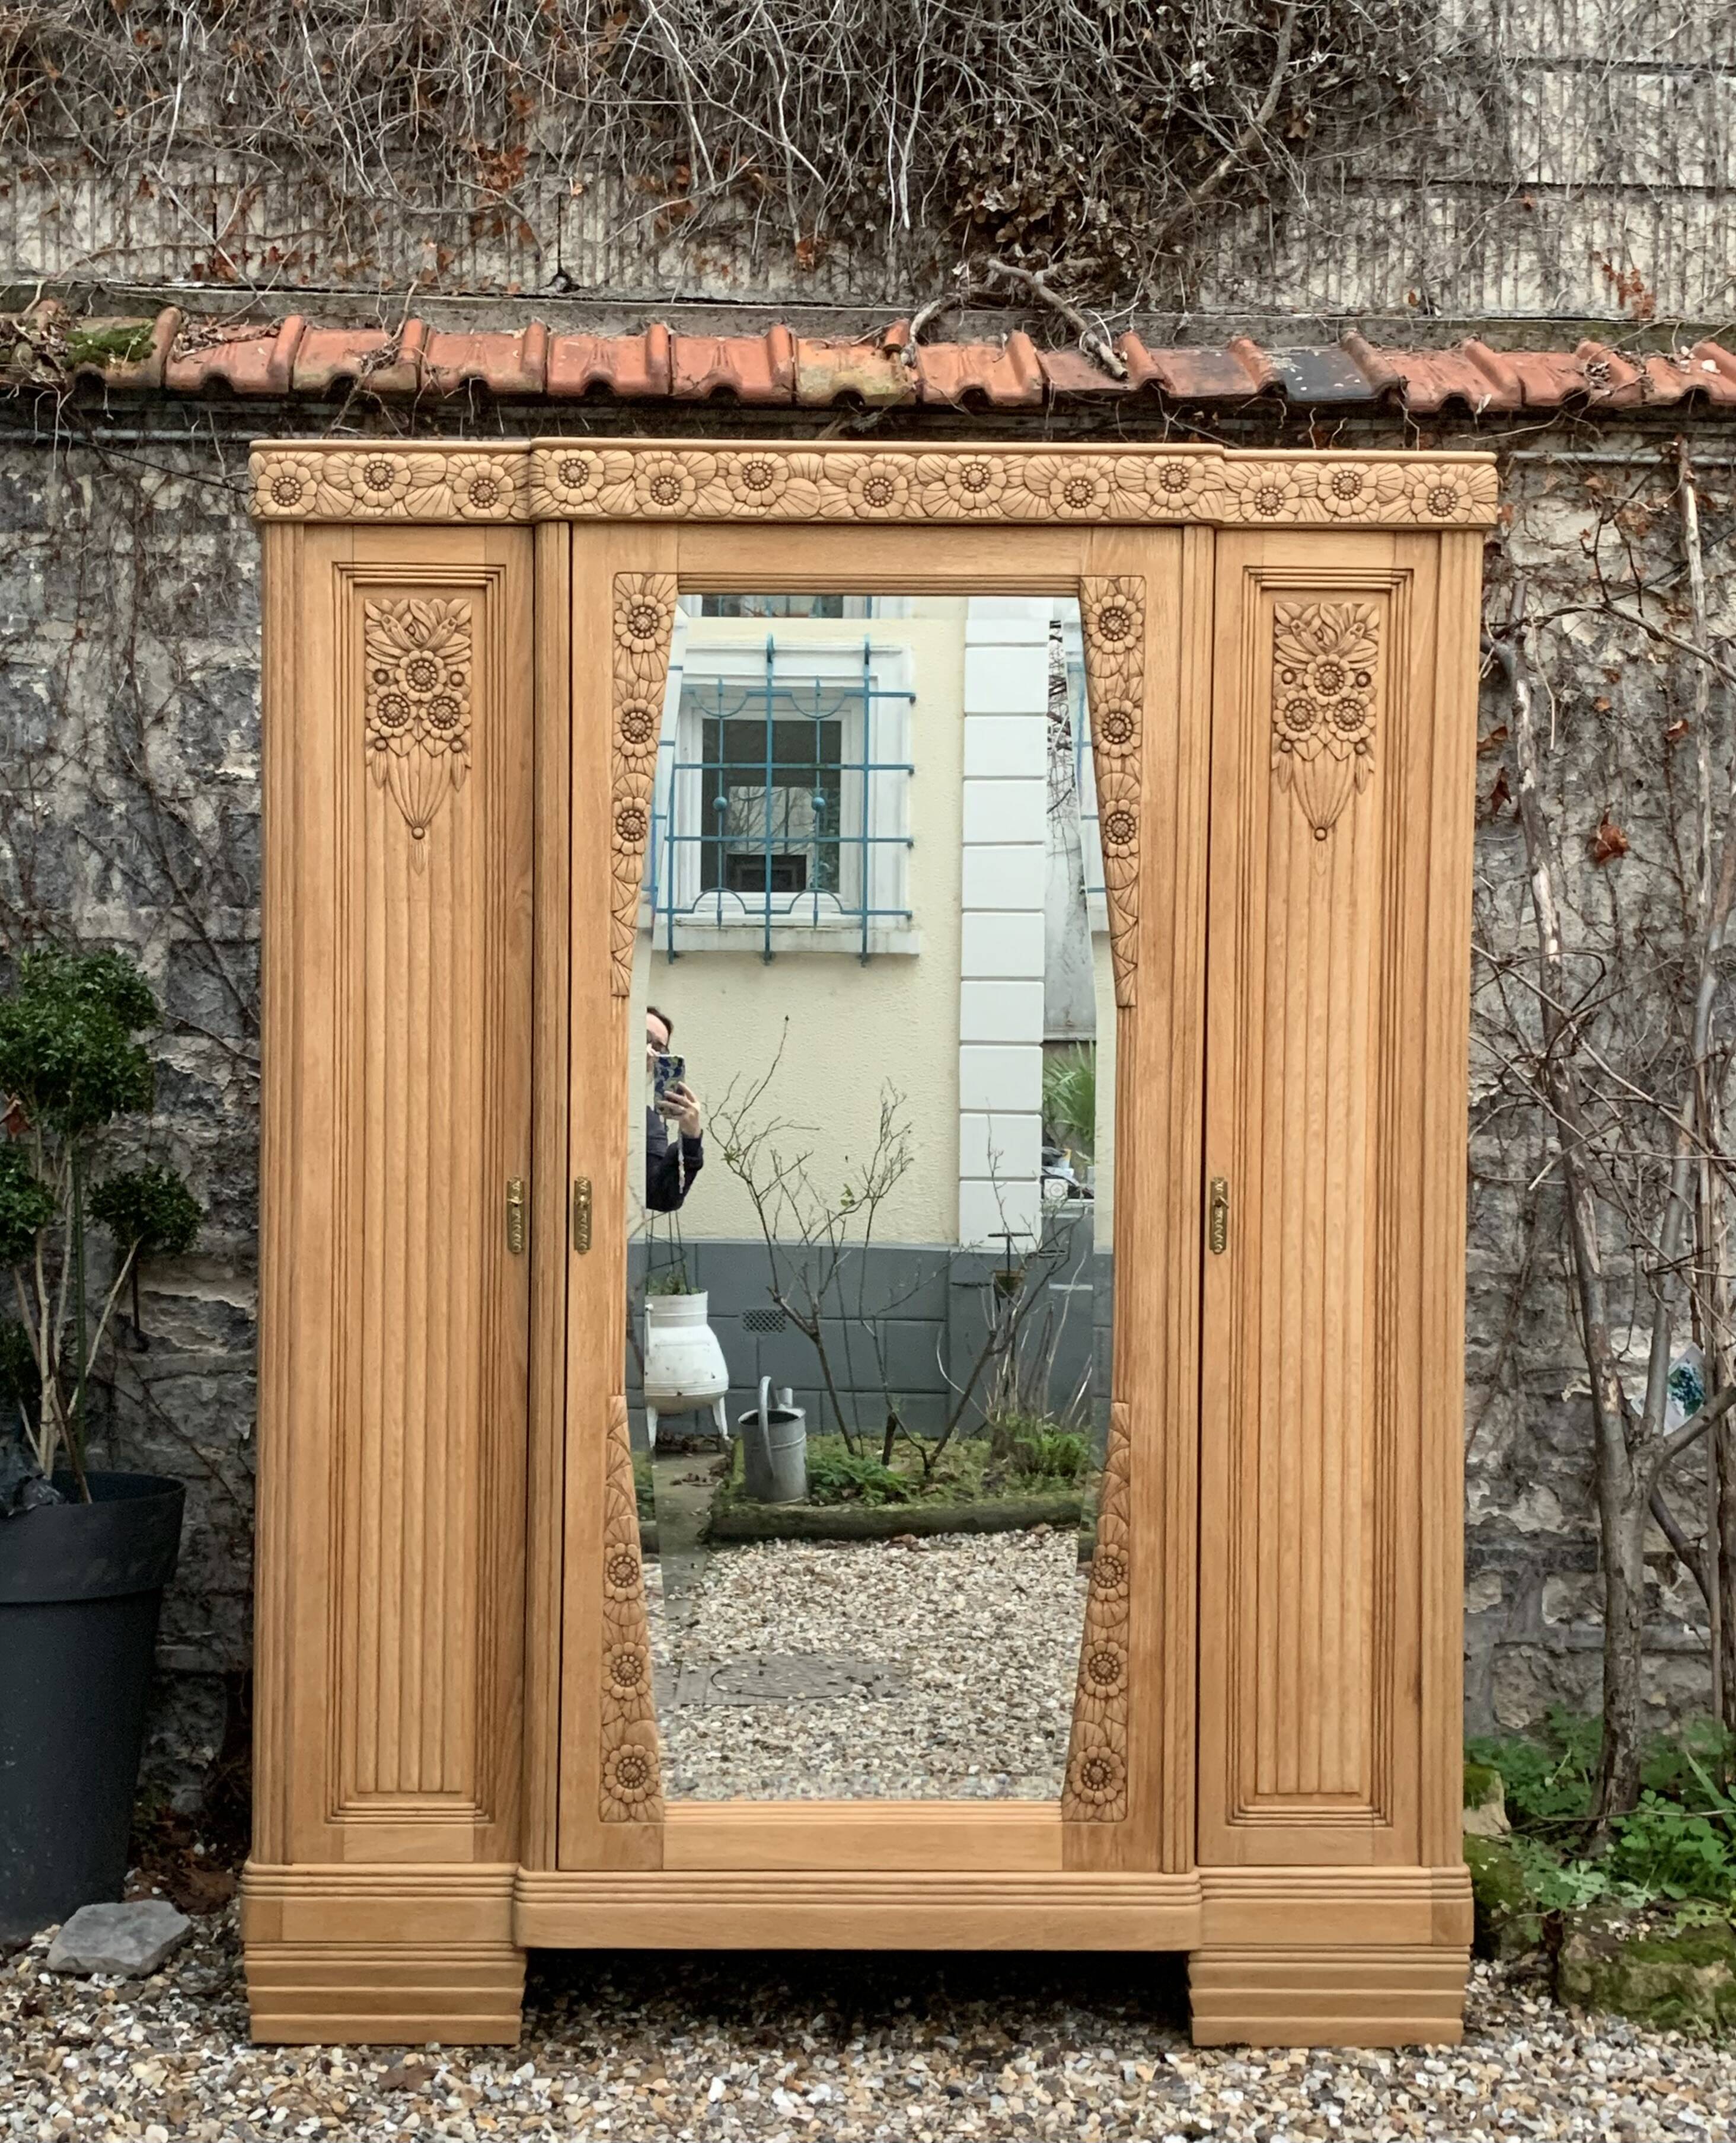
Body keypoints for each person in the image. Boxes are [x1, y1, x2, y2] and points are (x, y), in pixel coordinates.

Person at [645, 1003, 704, 1212]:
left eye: (659, 1048)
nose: (650, 1051)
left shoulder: (647, 1123)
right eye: (643, 1038)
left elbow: (662, 1197)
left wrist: (690, 1138)